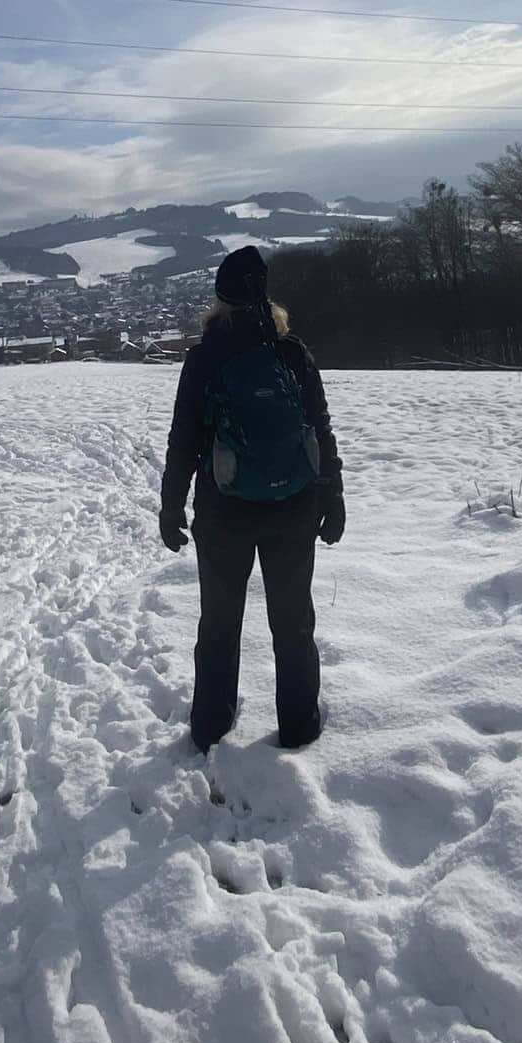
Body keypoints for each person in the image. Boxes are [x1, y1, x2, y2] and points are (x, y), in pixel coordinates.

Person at [158, 245, 345, 753]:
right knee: (293, 620)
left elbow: (184, 440)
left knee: (219, 620)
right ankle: (299, 726)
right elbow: (319, 426)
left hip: (224, 513)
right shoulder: (291, 351)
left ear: (220, 299)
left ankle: (211, 726)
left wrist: (172, 504)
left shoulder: (204, 358)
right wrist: (334, 494)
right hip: (295, 506)